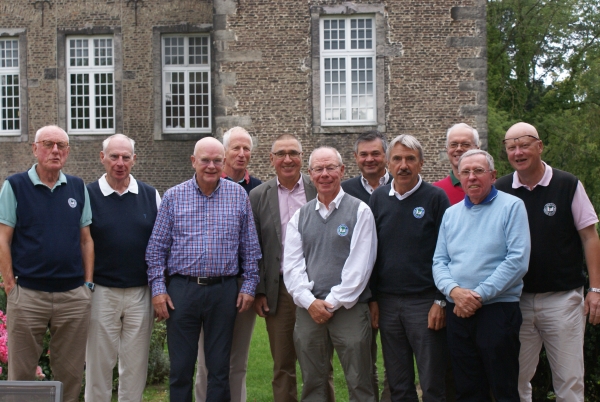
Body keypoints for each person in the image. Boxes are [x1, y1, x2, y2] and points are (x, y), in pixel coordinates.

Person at [146, 137, 261, 402]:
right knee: (181, 369)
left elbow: (250, 249)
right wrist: (159, 290)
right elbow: (156, 249)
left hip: (224, 292)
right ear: (193, 161)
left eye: (217, 160)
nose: (211, 166)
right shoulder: (174, 196)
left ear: (224, 163)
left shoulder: (238, 195)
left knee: (220, 369)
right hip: (182, 292)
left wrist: (249, 286)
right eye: (205, 160)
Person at [495, 122, 600, 402]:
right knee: (515, 379)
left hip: (563, 300)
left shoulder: (568, 184)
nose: (518, 152)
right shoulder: (501, 189)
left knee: (569, 382)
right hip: (516, 301)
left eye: (524, 144)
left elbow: (590, 237)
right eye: (511, 147)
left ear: (539, 146)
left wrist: (596, 290)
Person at [0, 125, 94, 402]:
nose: (55, 150)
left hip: (73, 296)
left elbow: (86, 239)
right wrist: (10, 284)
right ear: (35, 149)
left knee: (71, 372)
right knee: (21, 373)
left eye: (62, 145)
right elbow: (3, 238)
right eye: (49, 144)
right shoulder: (15, 186)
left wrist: (87, 284)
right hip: (28, 294)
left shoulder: (77, 187)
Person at [433, 149, 530, 401]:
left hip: (497, 311)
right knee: (467, 388)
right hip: (458, 312)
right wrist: (454, 292)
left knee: (503, 387)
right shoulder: (451, 214)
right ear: (459, 176)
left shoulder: (512, 207)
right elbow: (439, 262)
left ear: (493, 175)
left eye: (478, 171)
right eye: (465, 172)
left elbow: (517, 260)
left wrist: (476, 295)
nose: (472, 177)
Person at [283, 146, 378, 402]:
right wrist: (310, 302)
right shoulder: (299, 217)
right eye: (318, 169)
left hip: (349, 308)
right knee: (313, 382)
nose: (325, 174)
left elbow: (360, 267)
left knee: (360, 379)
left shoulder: (360, 211)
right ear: (310, 174)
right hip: (309, 310)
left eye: (331, 168)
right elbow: (292, 267)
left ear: (342, 171)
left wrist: (331, 303)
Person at [250, 134, 338, 402]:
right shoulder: (258, 196)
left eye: (293, 153)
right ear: (271, 159)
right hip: (279, 292)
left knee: (320, 365)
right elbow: (254, 248)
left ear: (302, 157)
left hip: (317, 290)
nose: (287, 159)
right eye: (280, 154)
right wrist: (260, 291)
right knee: (283, 366)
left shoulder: (319, 188)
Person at [369, 134, 450, 401]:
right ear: (388, 165)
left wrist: (441, 300)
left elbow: (448, 253)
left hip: (425, 302)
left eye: (410, 159)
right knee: (398, 383)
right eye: (398, 159)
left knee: (432, 381)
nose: (404, 165)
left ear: (421, 163)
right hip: (388, 303)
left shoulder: (436, 198)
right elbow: (370, 253)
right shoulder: (378, 199)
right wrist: (373, 299)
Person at [85, 134, 161, 402]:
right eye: (114, 156)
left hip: (140, 292)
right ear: (102, 157)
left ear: (134, 160)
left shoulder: (151, 196)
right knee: (98, 364)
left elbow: (160, 245)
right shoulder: (88, 194)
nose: (120, 162)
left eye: (125, 157)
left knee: (135, 366)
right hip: (102, 293)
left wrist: (158, 290)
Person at [196, 127, 262, 402]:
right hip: (207, 284)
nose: (242, 154)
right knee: (205, 362)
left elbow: (258, 242)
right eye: (236, 148)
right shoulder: (202, 185)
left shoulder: (258, 190)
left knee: (238, 361)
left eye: (246, 148)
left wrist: (254, 284)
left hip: (241, 283)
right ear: (223, 154)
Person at [341, 130, 392, 401]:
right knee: (363, 362)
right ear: (355, 158)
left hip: (396, 288)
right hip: (359, 291)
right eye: (364, 154)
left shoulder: (402, 184)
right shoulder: (346, 190)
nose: (370, 159)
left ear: (386, 156)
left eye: (376, 153)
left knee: (396, 361)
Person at [433, 123, 480, 205]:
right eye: (453, 144)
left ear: (477, 149)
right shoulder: (434, 191)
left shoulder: (489, 189)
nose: (458, 149)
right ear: (447, 150)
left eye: (465, 144)